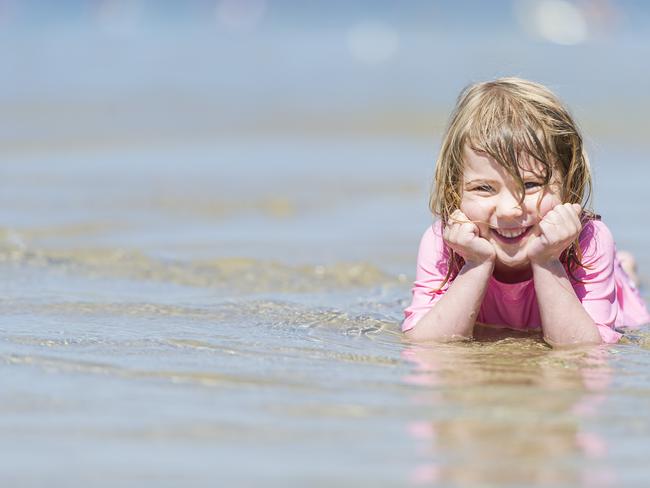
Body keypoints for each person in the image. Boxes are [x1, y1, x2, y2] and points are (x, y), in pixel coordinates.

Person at [403, 77, 650, 347]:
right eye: (484, 188)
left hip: (600, 292)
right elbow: (425, 344)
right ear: (454, 190)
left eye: (531, 185)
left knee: (632, 311)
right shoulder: (444, 242)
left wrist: (547, 261)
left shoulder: (590, 241)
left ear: (570, 186)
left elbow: (584, 350)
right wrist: (476, 263)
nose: (510, 210)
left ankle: (623, 270)